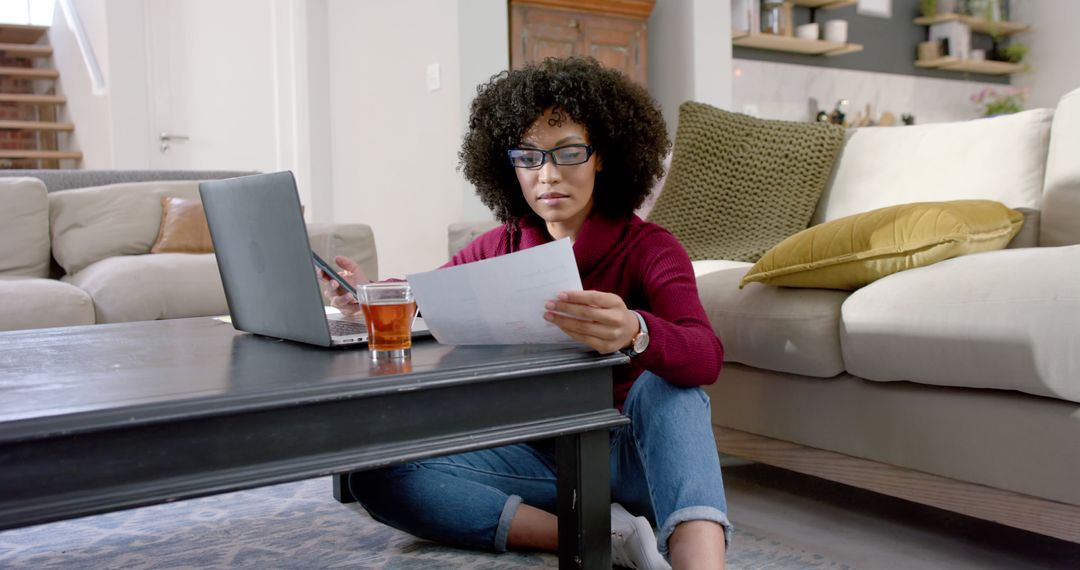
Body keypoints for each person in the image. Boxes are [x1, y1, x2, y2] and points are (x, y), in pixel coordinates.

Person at [321, 57, 730, 570]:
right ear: (507, 163)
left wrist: (637, 331)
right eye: (529, 157)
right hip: (540, 457)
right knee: (379, 475)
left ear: (602, 155)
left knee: (671, 387)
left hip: (635, 455)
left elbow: (705, 357)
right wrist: (370, 298)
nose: (549, 175)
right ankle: (599, 536)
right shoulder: (499, 246)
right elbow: (431, 295)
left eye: (569, 153)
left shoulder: (650, 248)